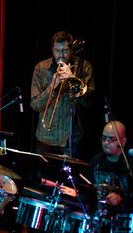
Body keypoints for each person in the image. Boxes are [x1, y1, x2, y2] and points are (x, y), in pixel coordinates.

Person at [30, 31, 95, 159]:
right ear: (52, 49)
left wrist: (72, 78)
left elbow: (88, 103)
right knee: (44, 179)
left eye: (65, 51)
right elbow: (35, 105)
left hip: (72, 138)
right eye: (57, 51)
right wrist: (53, 86)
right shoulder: (41, 68)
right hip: (45, 138)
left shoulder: (84, 66)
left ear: (71, 50)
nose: (61, 55)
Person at [88, 120, 133, 232]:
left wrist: (122, 200)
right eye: (104, 138)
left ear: (123, 141)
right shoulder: (96, 161)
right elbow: (89, 192)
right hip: (98, 220)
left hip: (124, 223)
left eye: (111, 139)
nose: (106, 142)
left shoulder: (130, 164)